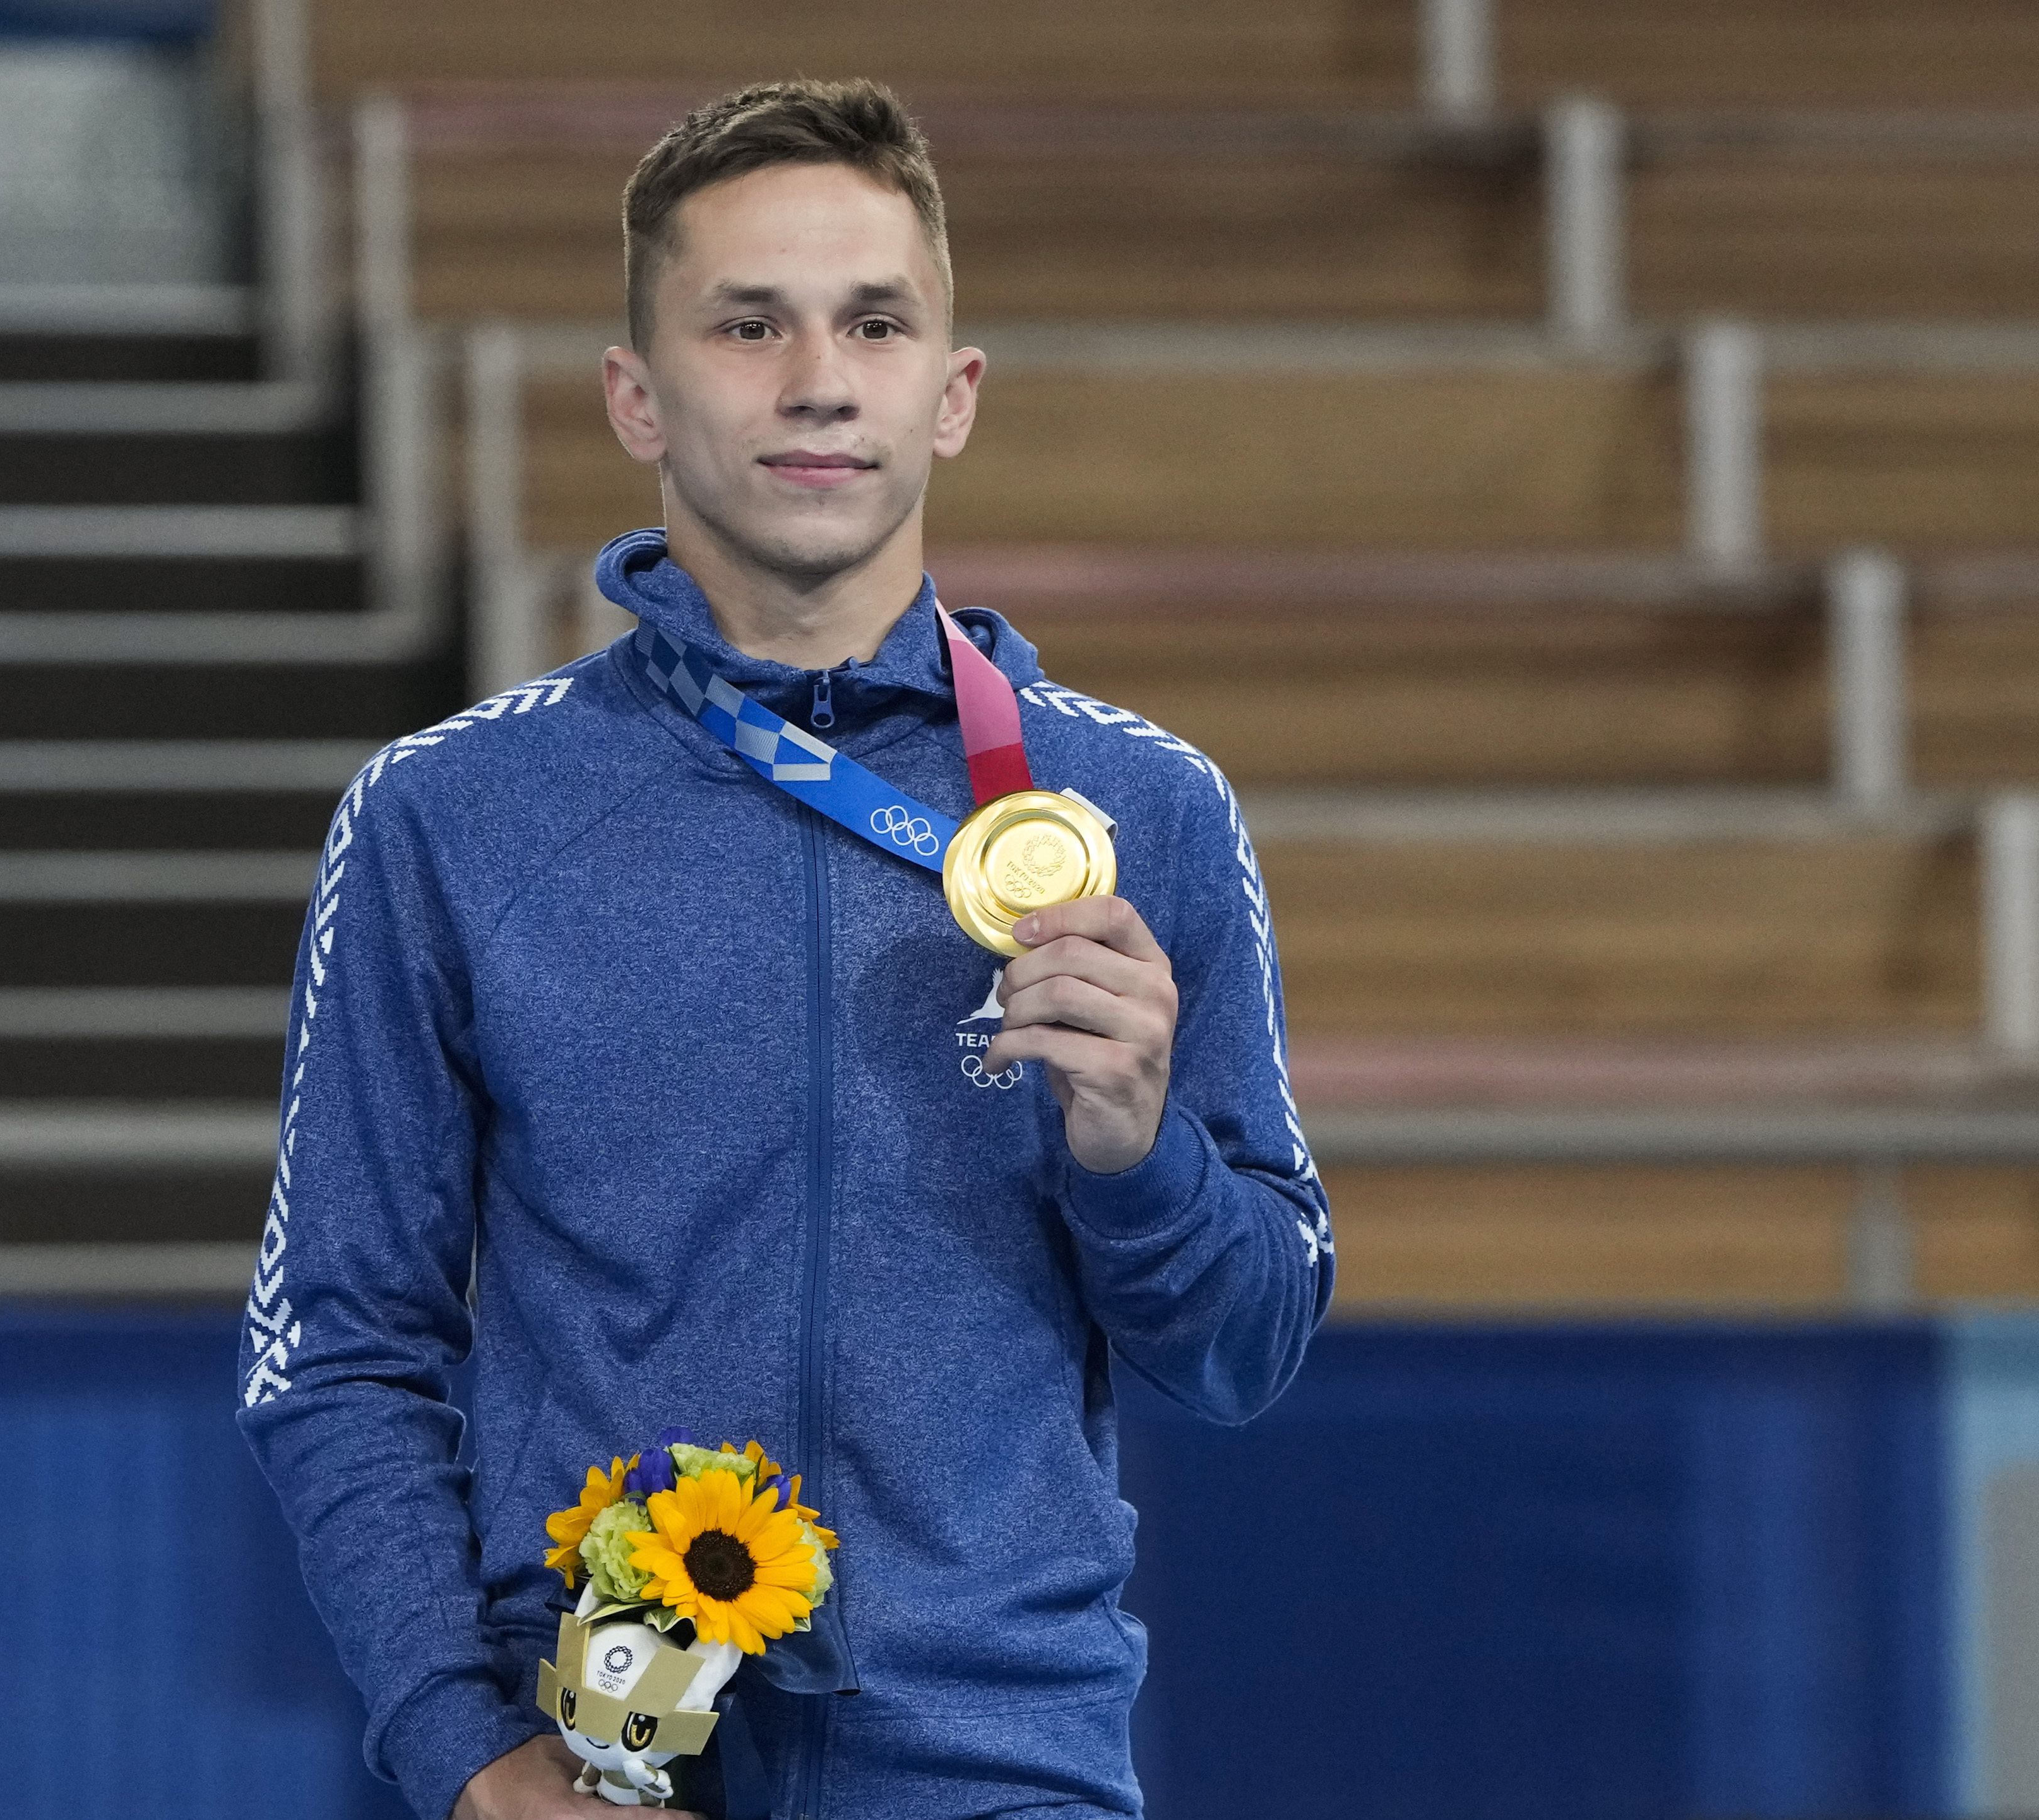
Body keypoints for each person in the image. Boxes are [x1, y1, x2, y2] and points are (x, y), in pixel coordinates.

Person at [237, 78, 1333, 1820]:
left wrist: (1138, 1162)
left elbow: (1245, 1345)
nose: (816, 377)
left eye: (873, 323)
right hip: (605, 1767)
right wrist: (466, 1749)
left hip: (999, 1762)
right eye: (746, 324)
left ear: (950, 394)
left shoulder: (1136, 810)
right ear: (636, 395)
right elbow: (337, 1344)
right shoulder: (450, 818)